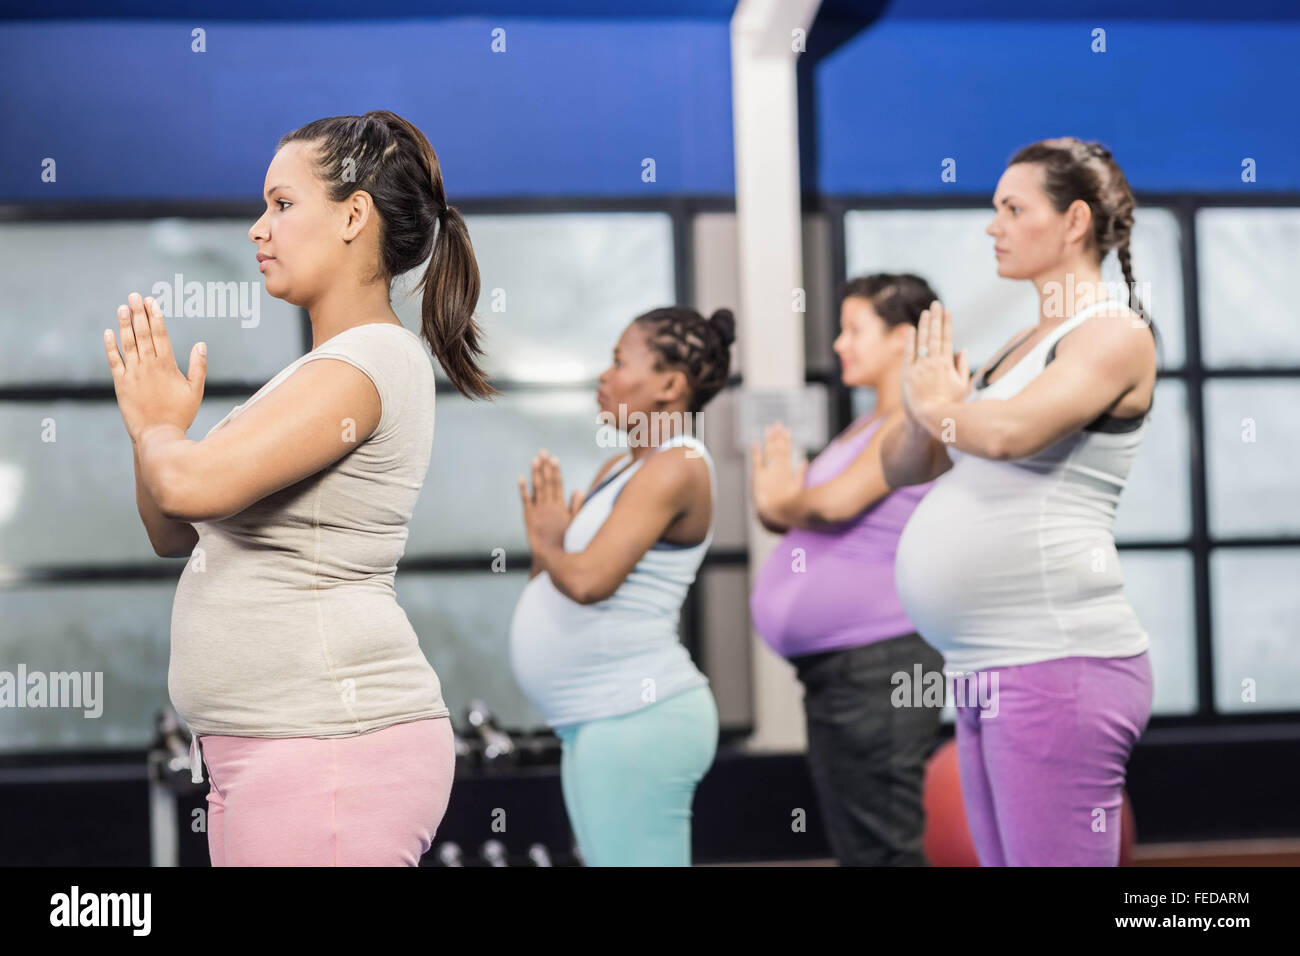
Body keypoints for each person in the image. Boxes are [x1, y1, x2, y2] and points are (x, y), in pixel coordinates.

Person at [105, 109, 494, 865]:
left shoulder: (368, 361)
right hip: (278, 751)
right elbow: (171, 530)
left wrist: (162, 436)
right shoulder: (318, 373)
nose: (259, 228)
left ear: (354, 216)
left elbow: (187, 486)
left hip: (330, 749)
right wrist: (152, 431)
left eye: (282, 204)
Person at [883, 137, 1159, 866]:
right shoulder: (1015, 348)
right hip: (986, 665)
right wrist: (919, 408)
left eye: (1012, 209)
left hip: (1057, 659)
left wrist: (943, 408)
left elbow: (1008, 435)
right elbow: (906, 468)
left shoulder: (1113, 332)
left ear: (1073, 222)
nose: (992, 225)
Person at [509, 306, 733, 866]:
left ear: (670, 385)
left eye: (618, 361)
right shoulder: (618, 470)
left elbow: (589, 582)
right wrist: (551, 549)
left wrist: (549, 544)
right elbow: (558, 581)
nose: (603, 376)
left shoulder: (678, 465)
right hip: (596, 718)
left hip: (636, 713)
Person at [749, 273, 945, 866]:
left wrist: (779, 499)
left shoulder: (913, 423)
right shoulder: (865, 426)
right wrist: (779, 503)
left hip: (883, 665)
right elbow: (802, 513)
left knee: (883, 850)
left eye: (855, 330)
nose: (839, 344)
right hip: (845, 672)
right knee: (862, 848)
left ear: (903, 338)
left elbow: (833, 505)